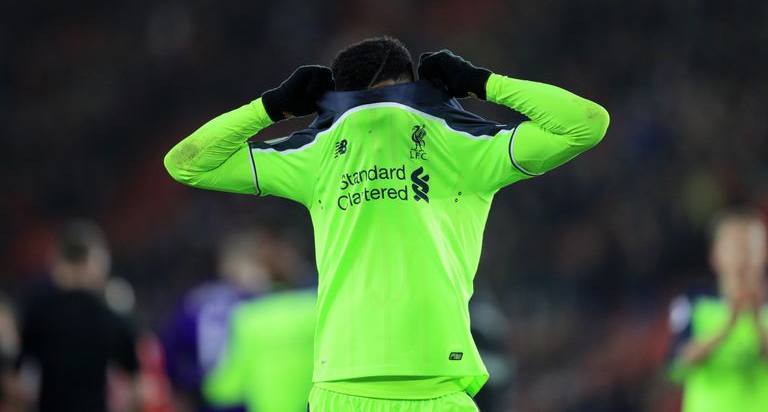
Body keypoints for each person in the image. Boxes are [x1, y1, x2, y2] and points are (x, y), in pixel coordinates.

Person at [164, 36, 609, 411]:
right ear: (410, 83)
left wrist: (272, 108)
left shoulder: (315, 153)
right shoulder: (463, 143)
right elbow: (585, 123)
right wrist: (479, 82)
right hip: (438, 385)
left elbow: (187, 164)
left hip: (341, 389)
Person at [162, 229, 292, 412]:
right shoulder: (260, 303)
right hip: (247, 396)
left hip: (208, 396)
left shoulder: (196, 298)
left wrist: (189, 382)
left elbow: (171, 350)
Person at [16, 220, 140, 412]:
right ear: (95, 261)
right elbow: (136, 384)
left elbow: (20, 382)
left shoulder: (37, 313)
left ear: (56, 259)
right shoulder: (111, 317)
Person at [667, 208, 768, 412]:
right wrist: (728, 324)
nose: (743, 258)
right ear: (715, 255)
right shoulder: (694, 302)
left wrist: (757, 320)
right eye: (735, 247)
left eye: (751, 247)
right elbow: (678, 364)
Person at [203, 289, 316, 412]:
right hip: (313, 405)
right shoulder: (314, 307)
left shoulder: (248, 318)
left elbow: (232, 384)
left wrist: (205, 388)